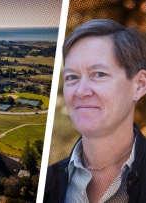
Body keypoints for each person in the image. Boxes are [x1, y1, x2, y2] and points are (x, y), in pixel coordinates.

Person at [44, 19, 146, 203]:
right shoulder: (47, 182)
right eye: (72, 77)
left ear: (139, 85)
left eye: (99, 74)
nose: (81, 91)